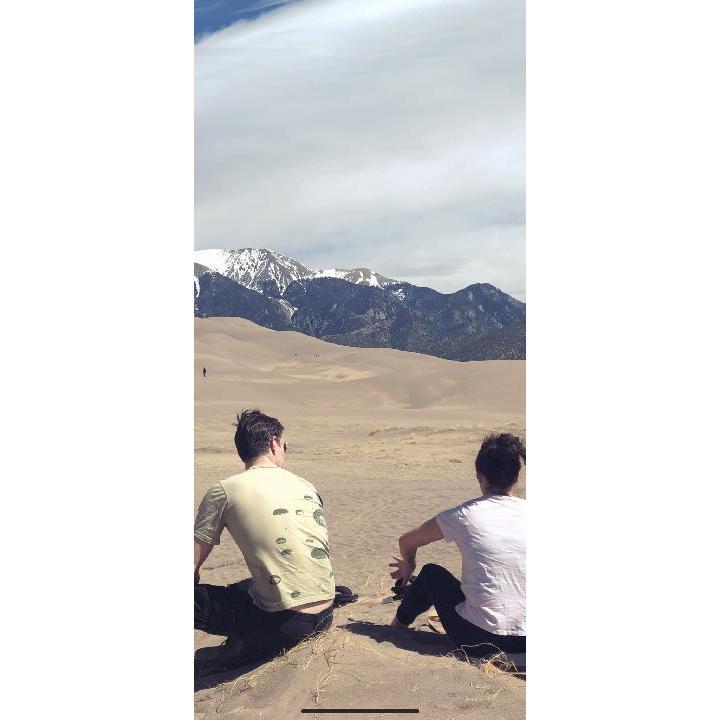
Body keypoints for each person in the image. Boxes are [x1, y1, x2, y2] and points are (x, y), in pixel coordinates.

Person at [194, 409, 334, 670]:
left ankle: (244, 643)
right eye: (285, 445)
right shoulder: (306, 485)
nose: (284, 450)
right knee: (244, 587)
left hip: (284, 625)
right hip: (326, 613)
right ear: (272, 443)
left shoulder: (224, 490)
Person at [389, 433, 526, 660]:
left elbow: (406, 541)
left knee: (432, 574)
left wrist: (409, 564)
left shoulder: (465, 515)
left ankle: (396, 628)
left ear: (479, 476)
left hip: (481, 640)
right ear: (516, 477)